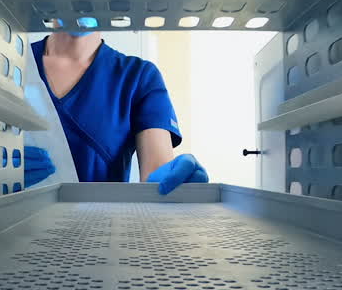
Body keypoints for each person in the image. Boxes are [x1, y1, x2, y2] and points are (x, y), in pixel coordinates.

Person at [23, 27, 208, 194]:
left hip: (104, 229)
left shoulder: (138, 77)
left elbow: (157, 173)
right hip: (10, 226)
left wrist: (170, 182)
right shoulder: (9, 62)